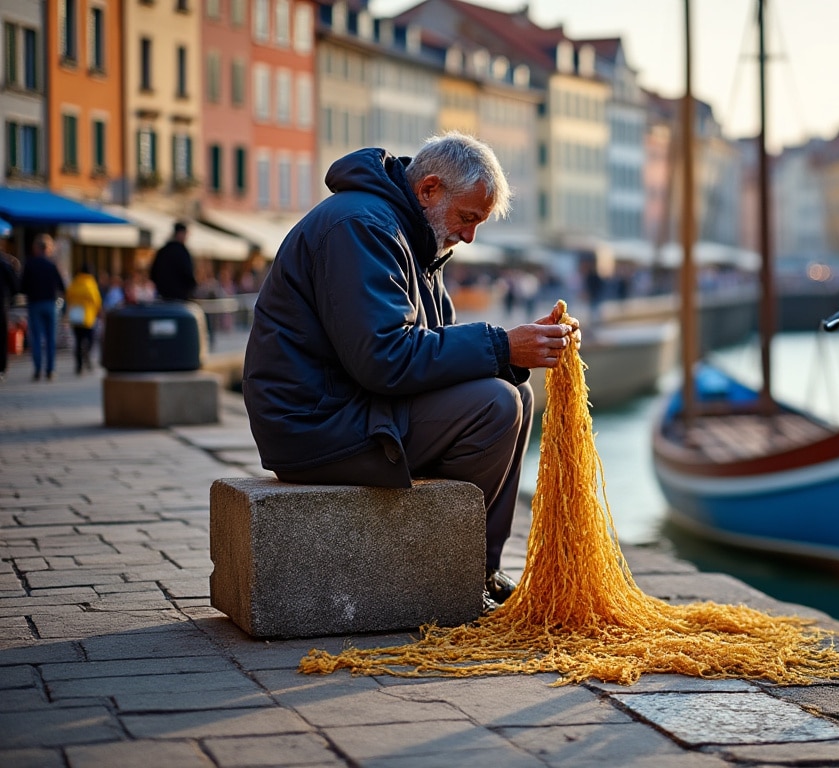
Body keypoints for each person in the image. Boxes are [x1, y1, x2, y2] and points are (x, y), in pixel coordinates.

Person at [242, 132, 578, 612]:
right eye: (468, 218)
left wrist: (513, 352)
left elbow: (429, 351)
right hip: (314, 425)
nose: (469, 236)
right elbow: (384, 358)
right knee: (497, 405)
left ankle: (479, 568)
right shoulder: (361, 226)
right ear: (429, 189)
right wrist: (502, 344)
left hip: (348, 406)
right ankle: (450, 571)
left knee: (515, 396)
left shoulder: (410, 234)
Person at [19, 235, 65, 381]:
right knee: (51, 338)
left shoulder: (30, 264)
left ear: (36, 248)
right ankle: (50, 370)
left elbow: (22, 287)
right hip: (50, 304)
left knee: (36, 338)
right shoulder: (52, 265)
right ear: (49, 248)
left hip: (34, 304)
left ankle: (38, 369)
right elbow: (62, 286)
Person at [65, 263, 102, 376]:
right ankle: (87, 352)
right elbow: (96, 299)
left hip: (76, 316)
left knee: (78, 341)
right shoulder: (90, 283)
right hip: (88, 317)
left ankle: (79, 366)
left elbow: (68, 296)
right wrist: (98, 310)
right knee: (90, 339)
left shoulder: (75, 282)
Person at [150, 221, 197, 301]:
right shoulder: (182, 252)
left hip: (163, 296)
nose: (186, 237)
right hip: (180, 297)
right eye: (185, 234)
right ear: (180, 234)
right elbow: (188, 274)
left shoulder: (163, 251)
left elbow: (153, 273)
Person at [0, 246, 18, 382]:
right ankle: (2, 367)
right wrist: (10, 299)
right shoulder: (5, 263)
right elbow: (15, 286)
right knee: (2, 336)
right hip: (2, 303)